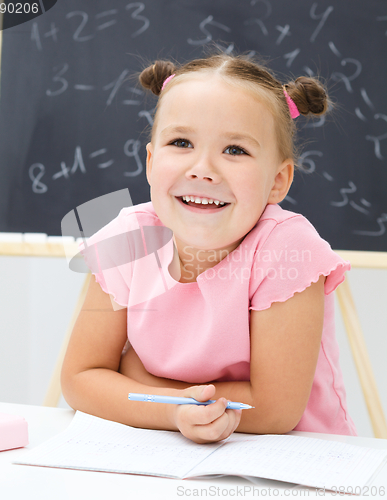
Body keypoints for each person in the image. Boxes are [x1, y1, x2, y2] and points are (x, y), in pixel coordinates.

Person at [61, 51, 357, 444]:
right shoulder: (128, 237)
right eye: (181, 142)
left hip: (295, 459)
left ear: (278, 181)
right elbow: (80, 380)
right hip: (163, 447)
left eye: (235, 150)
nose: (202, 168)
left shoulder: (288, 248)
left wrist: (138, 380)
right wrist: (173, 408)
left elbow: (274, 409)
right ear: (150, 162)